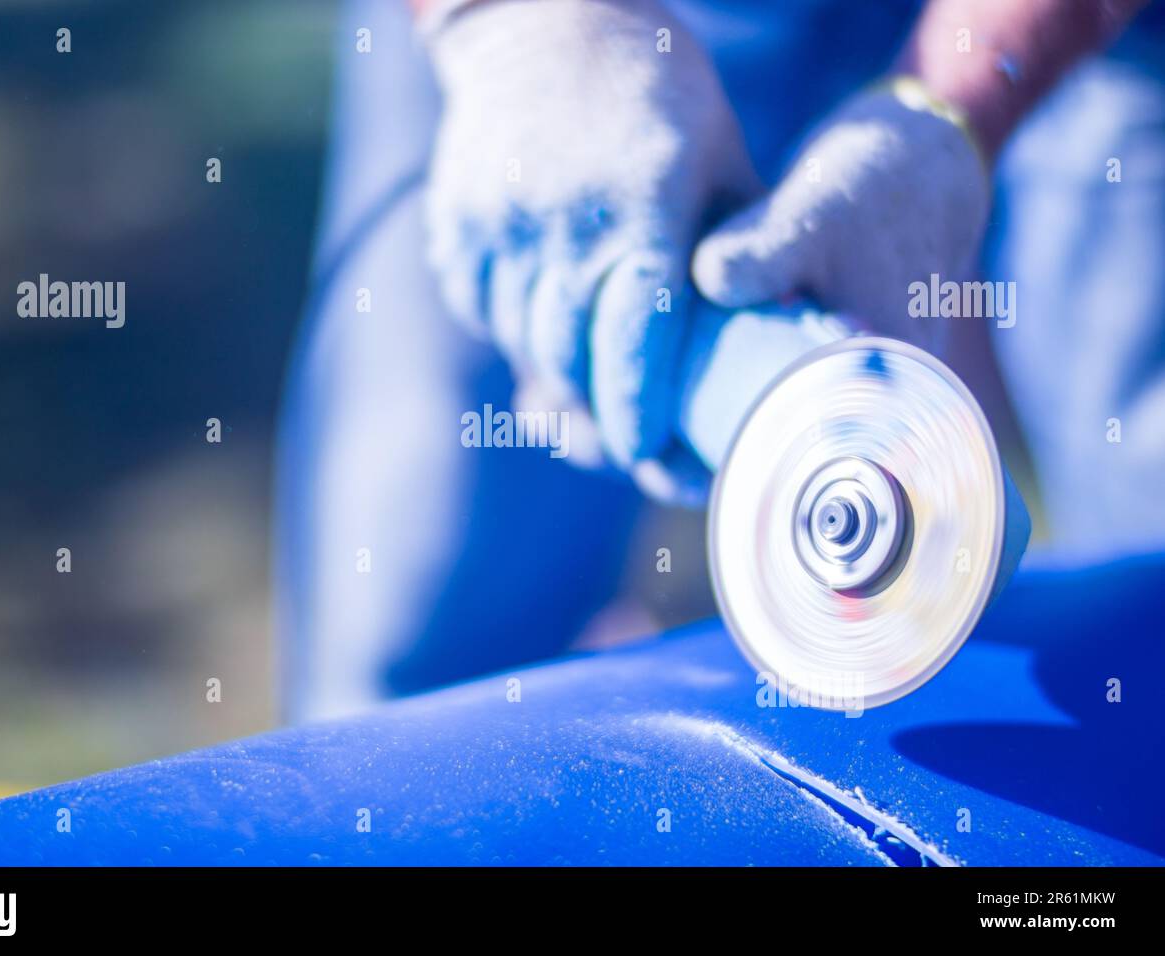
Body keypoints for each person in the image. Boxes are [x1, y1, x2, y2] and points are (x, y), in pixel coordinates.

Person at [276, 0, 1165, 721]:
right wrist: (503, 26)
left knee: (1150, 621)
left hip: (1096, 42)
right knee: (410, 660)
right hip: (564, 42)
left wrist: (955, 109)